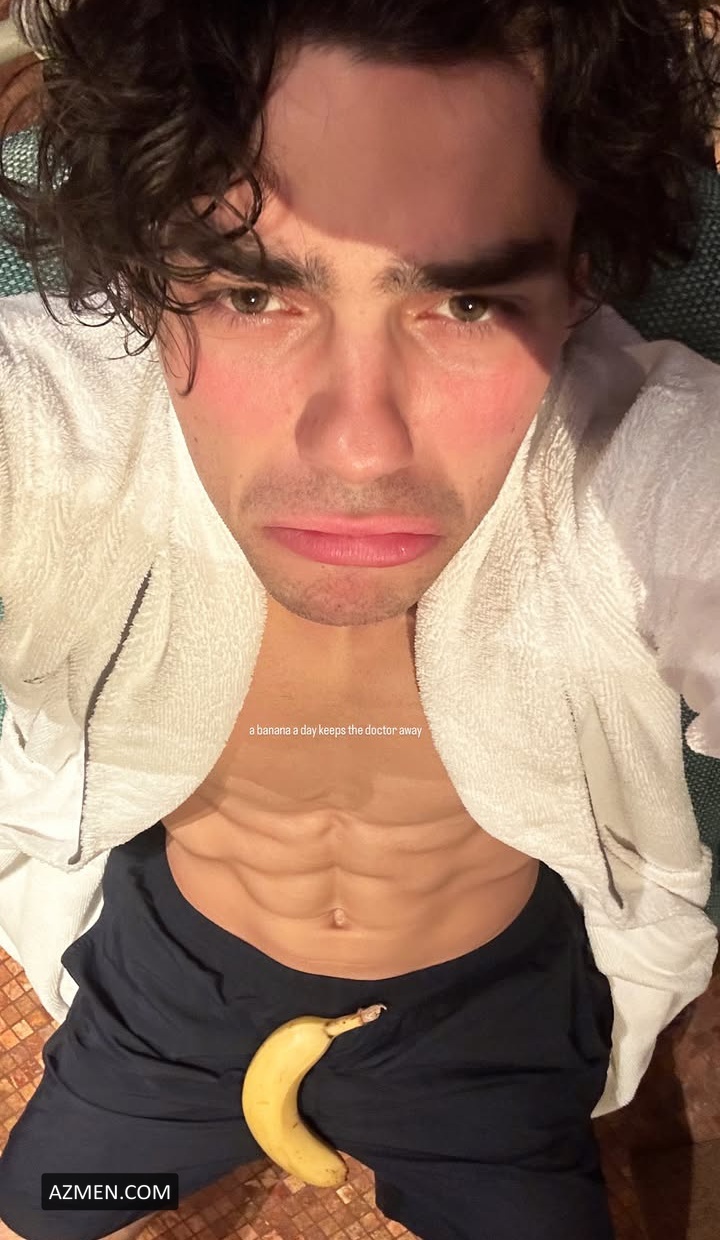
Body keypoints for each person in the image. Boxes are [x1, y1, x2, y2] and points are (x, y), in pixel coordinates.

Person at [0, 2, 719, 1238]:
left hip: (484, 1034)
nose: (359, 448)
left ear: (579, 279)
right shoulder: (57, 429)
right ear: (140, 271)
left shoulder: (651, 468)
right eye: (251, 294)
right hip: (171, 1002)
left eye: (467, 304)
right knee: (48, 1206)